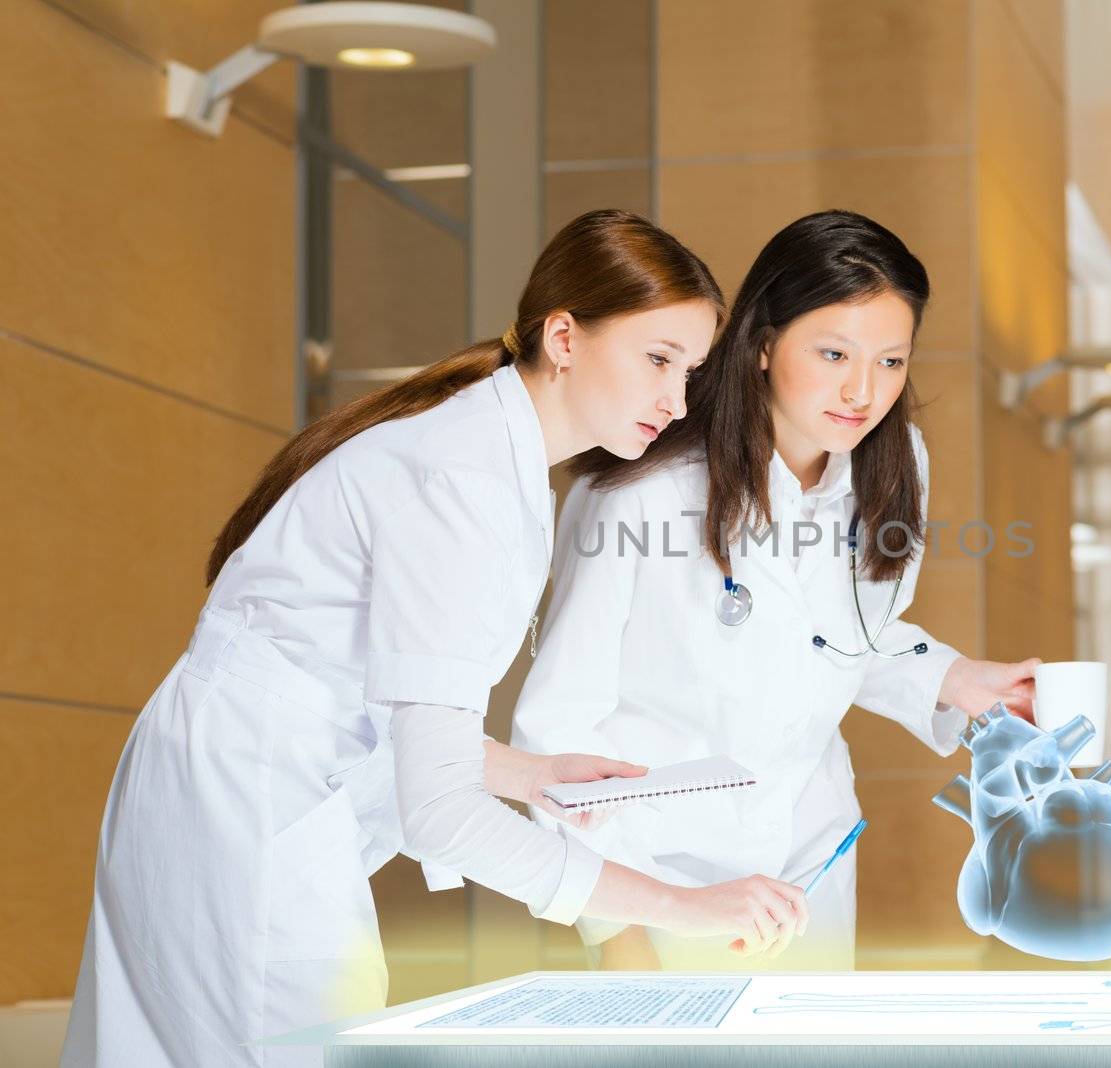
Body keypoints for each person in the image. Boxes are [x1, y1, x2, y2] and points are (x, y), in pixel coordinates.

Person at [62, 209, 809, 1068]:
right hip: (249, 799)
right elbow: (443, 813)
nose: (677, 401)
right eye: (658, 360)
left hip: (232, 774)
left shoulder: (487, 457)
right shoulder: (467, 479)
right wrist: (686, 907)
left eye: (691, 371)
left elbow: (355, 682)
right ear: (564, 336)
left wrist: (522, 772)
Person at [513, 210, 1038, 972]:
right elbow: (558, 720)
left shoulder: (895, 465)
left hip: (810, 864)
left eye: (891, 362)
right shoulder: (640, 489)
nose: (863, 390)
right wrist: (615, 930)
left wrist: (956, 680)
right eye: (833, 353)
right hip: (659, 879)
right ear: (762, 343)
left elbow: (838, 629)